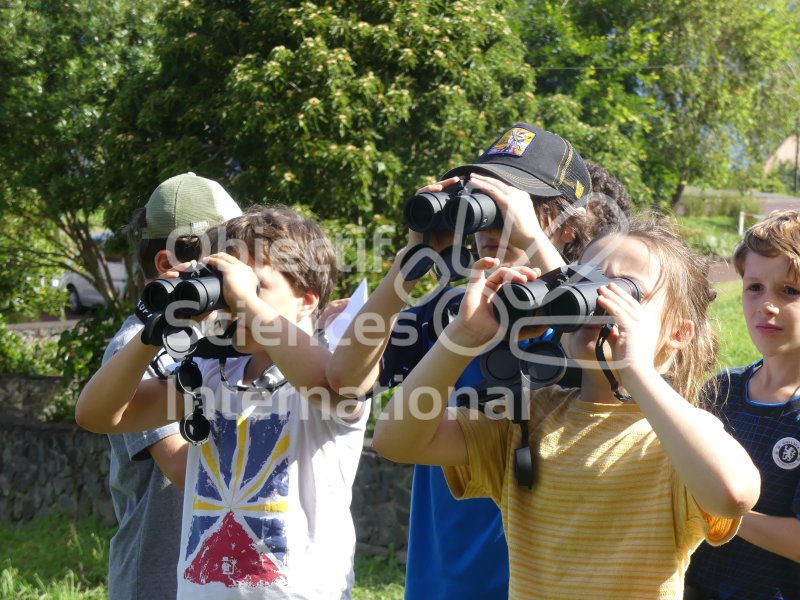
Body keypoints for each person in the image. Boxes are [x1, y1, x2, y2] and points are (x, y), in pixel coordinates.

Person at [372, 216, 761, 598]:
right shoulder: (525, 418)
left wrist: (637, 369)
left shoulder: (681, 438)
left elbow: (733, 493)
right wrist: (463, 336)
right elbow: (397, 440)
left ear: (677, 333)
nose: (597, 298)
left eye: (625, 291)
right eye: (583, 280)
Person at [327, 123, 595, 600]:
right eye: (482, 205)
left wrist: (534, 238)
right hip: (440, 582)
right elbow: (344, 380)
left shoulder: (591, 321)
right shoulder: (451, 314)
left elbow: (600, 333)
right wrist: (411, 261)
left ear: (565, 225)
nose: (489, 224)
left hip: (545, 583)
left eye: (513, 205)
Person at [76, 205, 368, 599]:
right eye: (225, 285)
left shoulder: (327, 371)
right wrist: (153, 331)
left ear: (306, 299)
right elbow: (99, 415)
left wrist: (247, 301)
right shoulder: (212, 373)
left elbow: (326, 384)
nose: (232, 301)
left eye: (254, 285)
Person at [104, 172, 242, 600]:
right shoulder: (137, 349)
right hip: (157, 577)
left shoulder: (220, 337)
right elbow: (184, 471)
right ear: (168, 266)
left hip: (208, 573)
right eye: (226, 256)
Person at [685, 209, 800, 599]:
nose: (766, 305)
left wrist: (716, 510)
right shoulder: (723, 389)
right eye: (755, 287)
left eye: (790, 291)